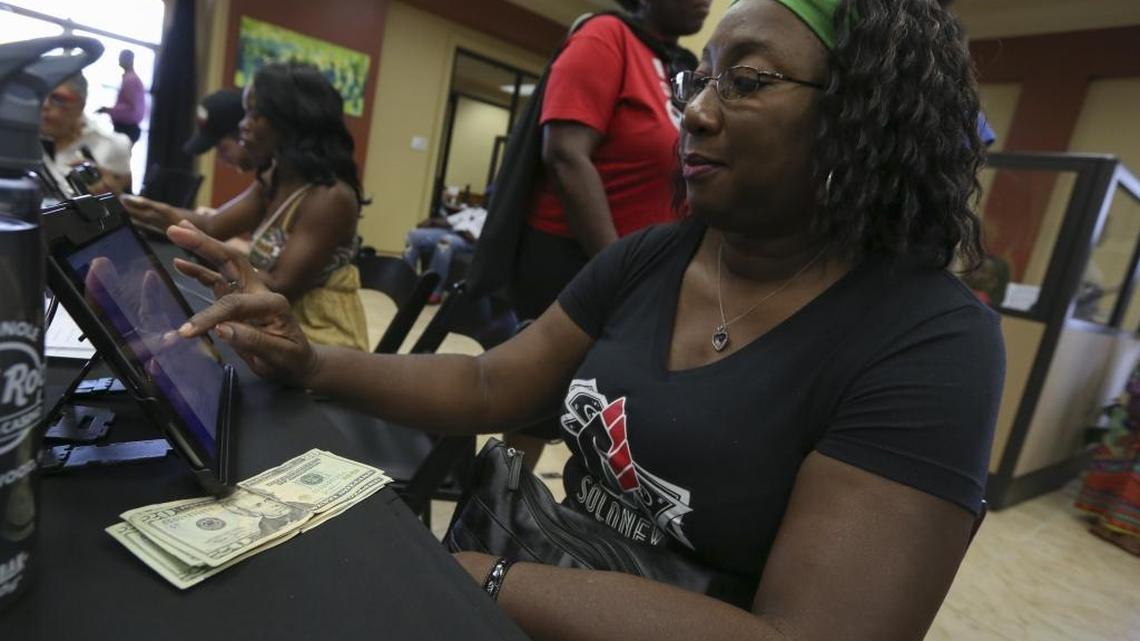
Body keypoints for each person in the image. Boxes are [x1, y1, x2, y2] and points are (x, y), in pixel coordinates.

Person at [166, 1, 1003, 639]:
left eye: (745, 81)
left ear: (863, 116)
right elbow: (493, 380)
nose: (698, 112)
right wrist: (308, 360)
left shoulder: (927, 340)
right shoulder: (653, 258)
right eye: (700, 78)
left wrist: (485, 578)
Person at [508, 0, 709, 468]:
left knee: (610, 414)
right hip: (574, 260)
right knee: (533, 412)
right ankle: (490, 513)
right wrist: (618, 270)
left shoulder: (677, 66)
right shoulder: (606, 37)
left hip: (645, 270)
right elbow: (565, 154)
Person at [124, 63, 370, 352]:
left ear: (292, 120)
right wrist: (141, 208)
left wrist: (216, 261)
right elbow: (213, 226)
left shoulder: (330, 198)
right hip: (272, 321)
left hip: (321, 339)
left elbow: (280, 287)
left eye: (255, 114)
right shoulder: (274, 178)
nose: (243, 125)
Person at [123, 89, 255, 252]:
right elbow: (212, 225)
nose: (221, 159)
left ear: (245, 134)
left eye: (222, 148)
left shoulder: (279, 182)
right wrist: (154, 211)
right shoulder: (265, 184)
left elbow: (213, 228)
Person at [40, 73, 132, 197]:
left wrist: (111, 194)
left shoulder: (113, 144)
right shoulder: (21, 137)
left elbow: (123, 199)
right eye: (39, 96)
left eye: (58, 99)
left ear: (81, 104)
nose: (45, 105)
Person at [403, 205, 487, 303]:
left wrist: (465, 234)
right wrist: (432, 221)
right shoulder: (473, 210)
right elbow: (448, 221)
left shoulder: (491, 215)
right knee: (413, 235)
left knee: (445, 242)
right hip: (453, 232)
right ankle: (407, 283)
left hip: (470, 240)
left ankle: (433, 291)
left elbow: (480, 239)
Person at [96, 49, 147, 145]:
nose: (119, 60)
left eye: (121, 58)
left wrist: (109, 110)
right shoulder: (130, 79)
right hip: (126, 128)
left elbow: (132, 108)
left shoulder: (131, 80)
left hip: (126, 128)